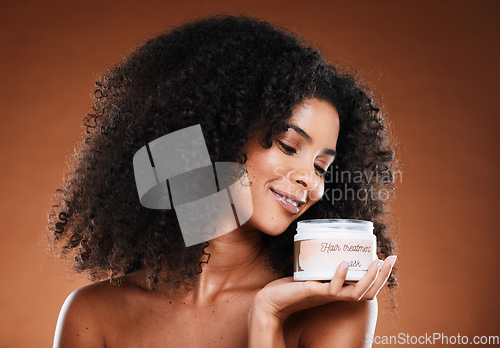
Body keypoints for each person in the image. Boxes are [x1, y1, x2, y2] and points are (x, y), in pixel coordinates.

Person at [48, 15, 398, 347]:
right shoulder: (93, 314)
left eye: (322, 167)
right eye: (288, 146)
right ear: (218, 135)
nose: (309, 180)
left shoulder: (332, 307)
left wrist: (268, 316)